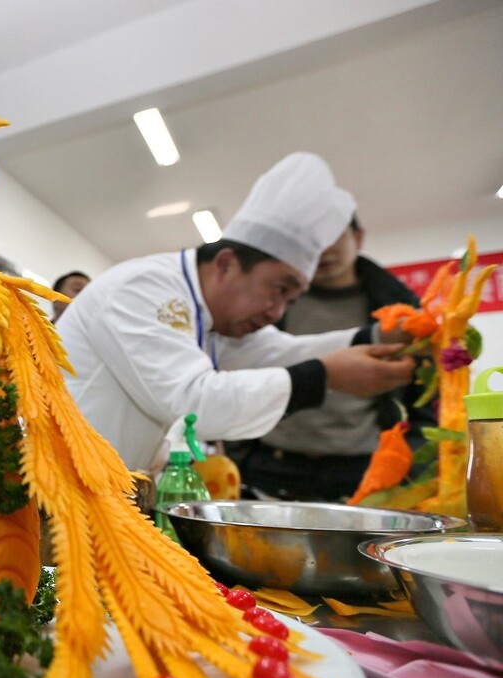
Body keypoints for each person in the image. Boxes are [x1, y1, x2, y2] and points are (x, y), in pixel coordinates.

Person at [58, 152, 416, 472]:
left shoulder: (214, 320)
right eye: (279, 289)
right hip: (61, 491)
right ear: (227, 264)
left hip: (111, 493)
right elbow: (193, 402)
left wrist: (375, 336)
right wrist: (325, 377)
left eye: (290, 301)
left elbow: (279, 350)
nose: (277, 312)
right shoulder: (145, 287)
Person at [232, 214, 436, 501]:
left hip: (367, 469)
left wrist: (412, 462)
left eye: (332, 235)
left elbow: (425, 400)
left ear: (358, 237)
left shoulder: (400, 308)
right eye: (311, 240)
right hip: (273, 468)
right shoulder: (269, 305)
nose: (323, 248)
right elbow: (242, 371)